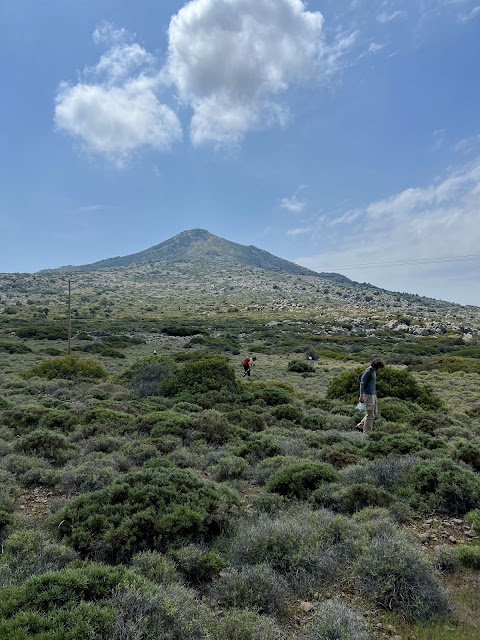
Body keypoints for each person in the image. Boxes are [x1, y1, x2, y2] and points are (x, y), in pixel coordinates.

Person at [356, 358, 385, 433]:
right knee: (370, 414)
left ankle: (360, 426)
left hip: (373, 395)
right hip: (368, 395)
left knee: (374, 413)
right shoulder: (368, 371)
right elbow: (362, 384)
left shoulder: (373, 371)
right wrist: (361, 396)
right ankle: (367, 432)